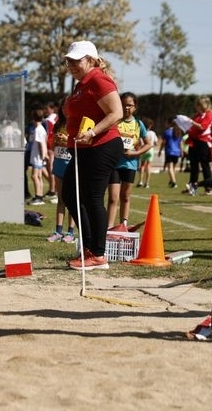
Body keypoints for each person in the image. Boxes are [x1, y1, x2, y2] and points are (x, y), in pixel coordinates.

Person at [60, 41, 124, 270]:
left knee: (92, 197)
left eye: (77, 60)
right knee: (69, 193)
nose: (72, 65)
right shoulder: (81, 84)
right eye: (69, 61)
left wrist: (92, 132)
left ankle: (97, 253)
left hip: (102, 146)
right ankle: (89, 248)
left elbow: (116, 113)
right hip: (83, 148)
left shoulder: (98, 79)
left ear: (91, 60)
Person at [107, 92, 151, 231]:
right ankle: (109, 227)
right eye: (124, 105)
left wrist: (136, 153)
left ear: (135, 107)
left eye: (130, 105)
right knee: (113, 197)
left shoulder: (138, 124)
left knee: (125, 196)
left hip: (130, 165)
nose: (126, 108)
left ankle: (123, 226)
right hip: (114, 164)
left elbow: (148, 143)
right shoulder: (114, 121)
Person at [46, 98, 76, 243]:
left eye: (68, 106)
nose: (65, 109)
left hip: (71, 165)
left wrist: (67, 139)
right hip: (58, 165)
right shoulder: (58, 124)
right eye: (63, 107)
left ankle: (70, 232)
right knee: (61, 200)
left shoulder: (77, 123)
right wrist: (56, 141)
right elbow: (52, 146)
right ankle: (58, 231)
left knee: (71, 201)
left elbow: (78, 142)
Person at [183, 96, 212, 196]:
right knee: (193, 166)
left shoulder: (209, 115)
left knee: (205, 166)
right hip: (194, 142)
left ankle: (208, 188)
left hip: (203, 143)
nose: (197, 107)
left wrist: (191, 122)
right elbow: (192, 128)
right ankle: (192, 187)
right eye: (197, 105)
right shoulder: (196, 116)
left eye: (199, 105)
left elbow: (202, 127)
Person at [27, 109, 47, 206]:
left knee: (34, 176)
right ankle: (40, 196)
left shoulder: (38, 129)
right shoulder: (41, 128)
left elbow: (41, 144)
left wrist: (43, 155)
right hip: (39, 157)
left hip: (37, 157)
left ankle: (38, 196)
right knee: (39, 177)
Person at [158, 117, 183, 188]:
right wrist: (181, 151)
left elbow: (163, 142)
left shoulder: (167, 132)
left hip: (170, 151)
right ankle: (171, 181)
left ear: (169, 123)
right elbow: (180, 143)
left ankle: (174, 182)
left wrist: (160, 150)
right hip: (177, 152)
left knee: (170, 168)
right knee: (173, 168)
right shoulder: (178, 131)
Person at [136, 117, 158, 188]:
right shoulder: (153, 133)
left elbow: (139, 142)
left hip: (143, 149)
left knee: (142, 165)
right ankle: (147, 183)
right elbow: (156, 143)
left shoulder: (142, 132)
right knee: (149, 166)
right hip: (150, 150)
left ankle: (140, 181)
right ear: (150, 125)